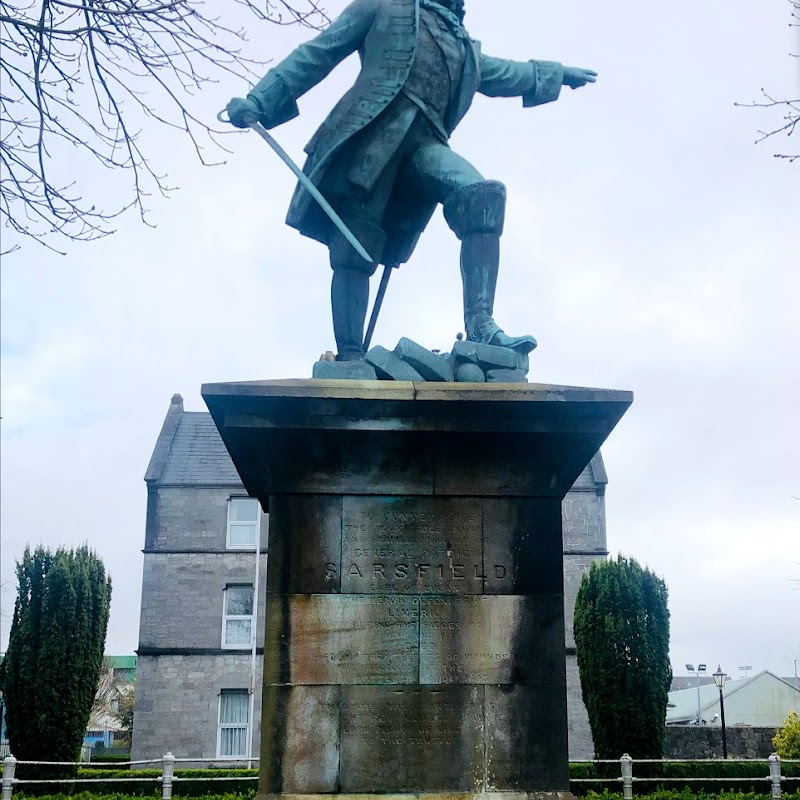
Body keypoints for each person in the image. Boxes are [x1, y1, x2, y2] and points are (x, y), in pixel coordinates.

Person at [227, 0, 597, 361]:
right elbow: (318, 53)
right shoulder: (382, 6)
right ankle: (350, 356)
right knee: (356, 243)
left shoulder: (465, 47)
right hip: (371, 136)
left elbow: (506, 74)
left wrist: (556, 74)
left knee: (481, 196)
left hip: (426, 144)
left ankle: (481, 324)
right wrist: (259, 101)